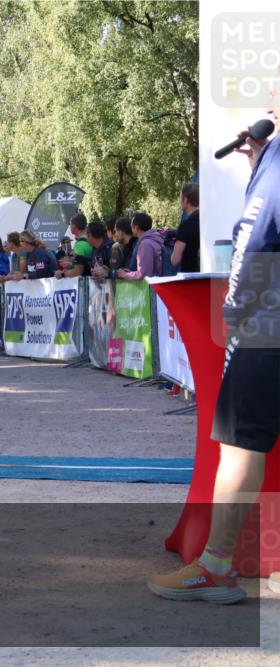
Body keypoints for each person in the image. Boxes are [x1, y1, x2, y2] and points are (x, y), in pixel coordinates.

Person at [148, 114, 279, 604]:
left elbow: (254, 240)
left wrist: (234, 310)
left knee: (240, 442)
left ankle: (216, 566)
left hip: (270, 321)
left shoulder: (276, 161)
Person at [117, 213, 164, 280]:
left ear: (136, 227)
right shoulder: (154, 239)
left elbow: (144, 274)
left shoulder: (145, 244)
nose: (130, 228)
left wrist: (126, 275)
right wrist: (131, 273)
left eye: (131, 226)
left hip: (151, 287)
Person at [173, 182, 200, 273]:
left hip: (191, 280)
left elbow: (175, 260)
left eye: (181, 198)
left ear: (186, 200)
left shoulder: (186, 226)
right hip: (211, 279)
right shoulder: (208, 221)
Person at [55, 214, 92, 279]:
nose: (70, 227)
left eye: (70, 224)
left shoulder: (80, 245)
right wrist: (71, 264)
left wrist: (62, 274)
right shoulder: (89, 238)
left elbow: (78, 271)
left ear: (74, 226)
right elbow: (82, 263)